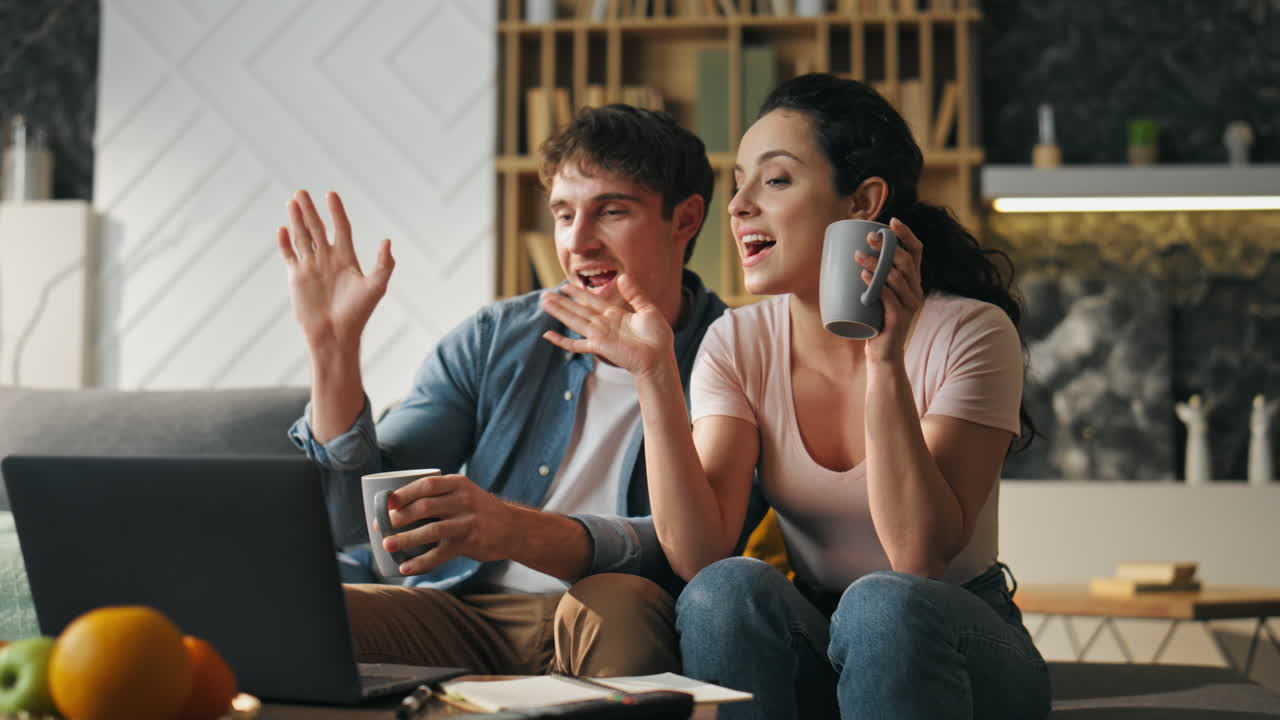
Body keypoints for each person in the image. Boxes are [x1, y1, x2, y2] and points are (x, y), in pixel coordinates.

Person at [540, 73, 1051, 718]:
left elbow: (917, 557)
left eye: (775, 180)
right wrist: (655, 375)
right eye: (737, 185)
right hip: (821, 627)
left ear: (861, 200)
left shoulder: (971, 331)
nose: (738, 206)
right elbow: (700, 556)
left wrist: (885, 360)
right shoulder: (738, 341)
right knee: (725, 589)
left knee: (882, 603)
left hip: (959, 637)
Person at [277, 104, 731, 677]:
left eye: (611, 211)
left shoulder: (736, 352)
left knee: (620, 602)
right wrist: (333, 350)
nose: (579, 241)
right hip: (462, 608)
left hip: (609, 611)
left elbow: (698, 550)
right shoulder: (495, 338)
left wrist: (514, 529)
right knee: (290, 615)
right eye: (564, 215)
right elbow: (353, 523)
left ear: (685, 219)